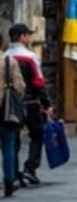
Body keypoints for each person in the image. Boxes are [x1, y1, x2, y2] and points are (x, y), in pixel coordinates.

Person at [5, 23, 50, 186]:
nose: (29, 38)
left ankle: (14, 173)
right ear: (22, 37)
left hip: (10, 104)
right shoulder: (30, 57)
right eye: (28, 35)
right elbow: (38, 81)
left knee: (13, 140)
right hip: (30, 102)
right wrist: (46, 102)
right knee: (37, 135)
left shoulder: (4, 57)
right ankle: (30, 169)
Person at [1, 32, 23, 197]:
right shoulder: (9, 61)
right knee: (8, 146)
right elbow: (19, 86)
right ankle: (9, 181)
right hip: (6, 110)